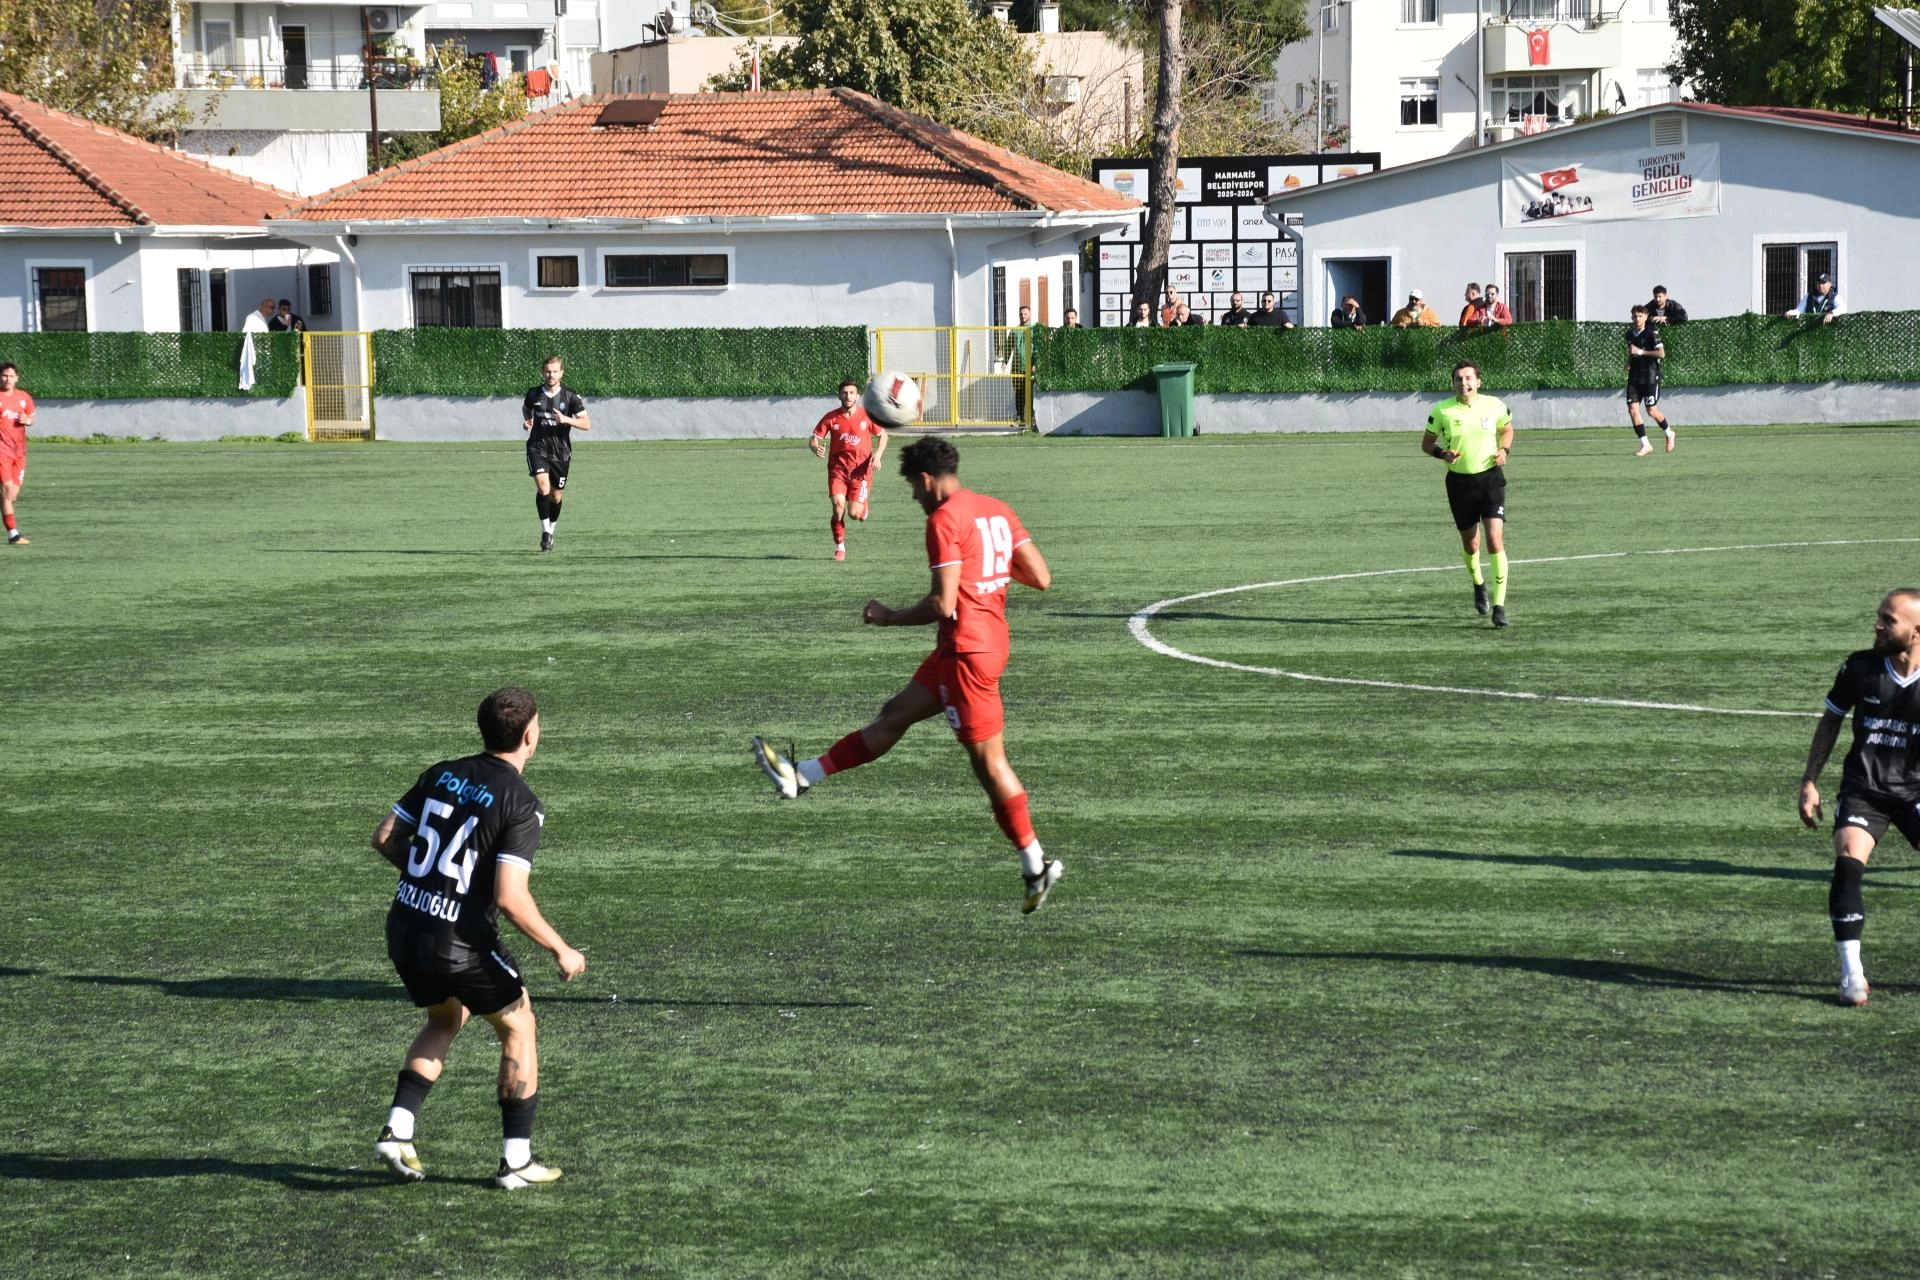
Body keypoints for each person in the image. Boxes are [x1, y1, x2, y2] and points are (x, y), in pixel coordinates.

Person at [751, 437, 1063, 913]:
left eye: (913, 489)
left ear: (926, 480)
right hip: (979, 644)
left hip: (967, 653)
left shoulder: (944, 519)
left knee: (990, 764)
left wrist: (888, 617)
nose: (915, 498)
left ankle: (1035, 865)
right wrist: (986, 570)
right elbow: (1040, 576)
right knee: (895, 713)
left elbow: (943, 602)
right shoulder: (997, 509)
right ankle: (803, 776)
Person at [368, 686, 587, 1188]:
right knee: (519, 1025)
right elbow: (510, 897)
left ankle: (398, 1130)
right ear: (530, 736)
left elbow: (384, 837)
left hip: (405, 927)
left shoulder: (441, 772)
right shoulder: (521, 802)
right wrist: (561, 949)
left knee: (447, 1017)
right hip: (458, 940)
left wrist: (431, 882)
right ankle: (516, 1161)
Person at [1798, 589, 1920, 1006]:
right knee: (1848, 864)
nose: (1878, 625)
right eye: (1879, 616)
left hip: (1915, 791)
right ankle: (1852, 974)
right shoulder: (1860, 667)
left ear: (1916, 631)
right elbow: (1831, 720)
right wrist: (1810, 780)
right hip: (1864, 790)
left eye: (1889, 620)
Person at [1420, 359, 1514, 628]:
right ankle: (1478, 584)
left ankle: (1499, 607)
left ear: (1478, 381)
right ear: (1453, 383)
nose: (1464, 383)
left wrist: (1504, 450)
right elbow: (1426, 443)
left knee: (1495, 541)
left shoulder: (1494, 405)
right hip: (1459, 484)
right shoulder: (1442, 410)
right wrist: (1442, 453)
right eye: (1459, 379)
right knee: (1472, 544)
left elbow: (1507, 429)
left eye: (1469, 378)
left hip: (1491, 480)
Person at [809, 378, 888, 561]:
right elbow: (814, 439)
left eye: (852, 393)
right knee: (838, 507)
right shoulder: (831, 417)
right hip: (838, 470)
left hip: (861, 472)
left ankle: (862, 507)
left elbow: (883, 436)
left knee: (853, 514)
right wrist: (815, 448)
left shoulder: (867, 416)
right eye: (844, 393)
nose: (848, 396)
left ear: (857, 396)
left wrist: (878, 456)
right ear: (839, 395)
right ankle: (840, 546)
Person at [521, 355, 590, 553]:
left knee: (556, 496)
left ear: (561, 373)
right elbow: (526, 409)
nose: (551, 375)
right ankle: (545, 532)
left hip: (561, 453)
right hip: (537, 448)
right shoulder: (533, 394)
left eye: (554, 371)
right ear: (543, 373)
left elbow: (586, 424)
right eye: (547, 371)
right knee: (543, 488)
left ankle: (551, 529)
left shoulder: (570, 396)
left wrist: (567, 420)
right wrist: (527, 421)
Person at [1625, 304, 1674, 457]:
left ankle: (1669, 433)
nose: (1637, 319)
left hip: (1650, 376)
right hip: (1634, 377)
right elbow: (1632, 352)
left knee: (1651, 410)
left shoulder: (1652, 333)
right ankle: (1646, 444)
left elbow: (1661, 354)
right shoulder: (1629, 334)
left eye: (1640, 316)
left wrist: (1640, 352)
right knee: (1633, 410)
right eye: (1635, 316)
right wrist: (1629, 362)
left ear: (1646, 317)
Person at [0, 362, 34, 547]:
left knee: (12, 495)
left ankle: (12, 533)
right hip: (2, 452)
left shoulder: (24, 397)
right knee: (7, 490)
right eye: (4, 375)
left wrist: (27, 420)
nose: (7, 379)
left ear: (16, 378)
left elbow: (32, 418)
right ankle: (13, 535)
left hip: (19, 452)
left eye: (11, 376)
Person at [1004, 304, 1036, 424]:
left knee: (1030, 393)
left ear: (1029, 314)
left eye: (1025, 314)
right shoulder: (1015, 330)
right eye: (1021, 314)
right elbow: (1008, 347)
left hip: (1030, 368)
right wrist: (1005, 361)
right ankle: (1020, 416)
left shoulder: (1034, 329)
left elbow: (1037, 348)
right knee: (1019, 393)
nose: (1023, 316)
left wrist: (1035, 363)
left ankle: (1031, 417)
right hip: (1017, 367)